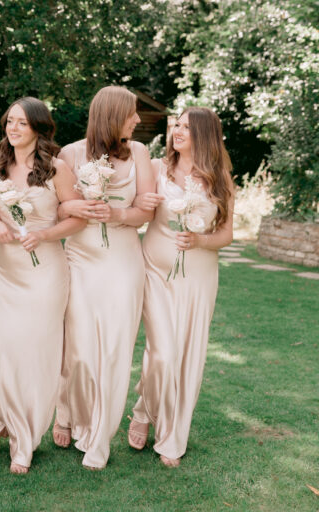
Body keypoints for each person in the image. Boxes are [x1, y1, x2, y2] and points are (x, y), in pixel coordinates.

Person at [0, 97, 86, 474]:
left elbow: (78, 219)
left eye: (22, 122)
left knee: (34, 353)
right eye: (10, 121)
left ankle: (24, 437)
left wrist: (44, 234)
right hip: (3, 270)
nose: (14, 128)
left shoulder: (57, 169)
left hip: (45, 270)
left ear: (38, 127)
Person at [53, 85, 157, 470]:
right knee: (79, 349)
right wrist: (77, 206)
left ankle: (99, 436)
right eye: (131, 113)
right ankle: (69, 412)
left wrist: (118, 214)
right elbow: (58, 206)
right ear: (113, 116)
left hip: (123, 260)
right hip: (81, 257)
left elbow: (145, 212)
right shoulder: (70, 153)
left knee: (115, 349)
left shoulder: (140, 153)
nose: (137, 120)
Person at [128, 107, 234, 467]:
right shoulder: (156, 168)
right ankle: (144, 410)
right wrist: (139, 204)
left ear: (204, 134)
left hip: (199, 277)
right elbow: (138, 210)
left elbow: (226, 234)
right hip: (156, 271)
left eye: (186, 127)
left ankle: (170, 435)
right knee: (163, 353)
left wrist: (200, 241)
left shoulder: (220, 178)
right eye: (177, 125)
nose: (177, 131)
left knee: (187, 355)